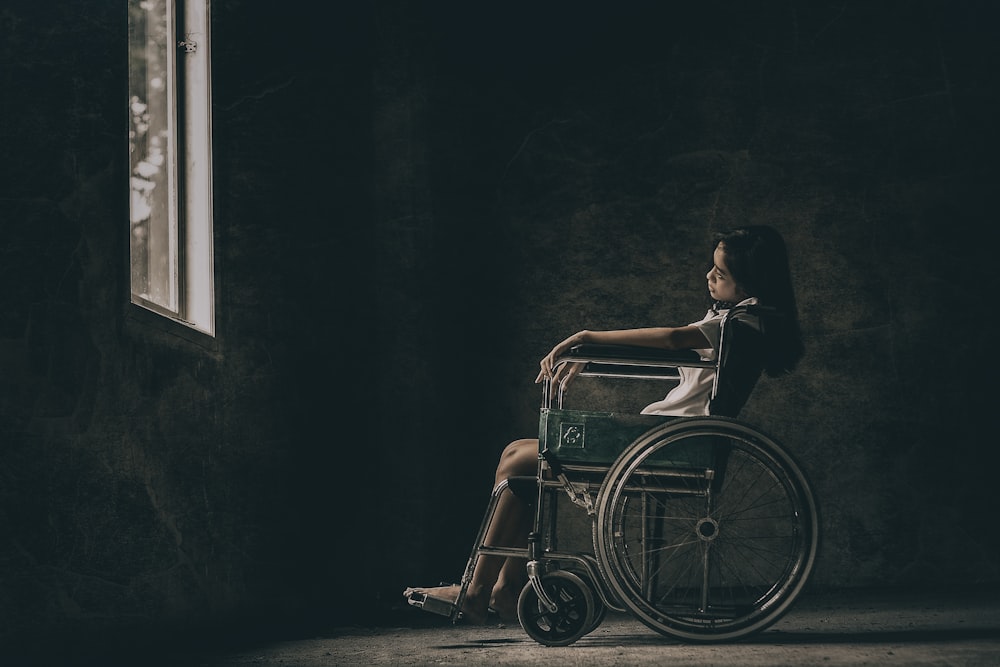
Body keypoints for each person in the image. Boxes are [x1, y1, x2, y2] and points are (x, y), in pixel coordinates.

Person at [404, 225, 804, 624]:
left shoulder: (737, 325)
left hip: (670, 443)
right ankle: (502, 591)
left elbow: (670, 340)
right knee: (520, 457)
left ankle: (477, 591)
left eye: (720, 274)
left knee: (521, 461)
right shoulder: (742, 320)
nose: (708, 277)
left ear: (750, 283)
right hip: (665, 438)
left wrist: (585, 337)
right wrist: (591, 355)